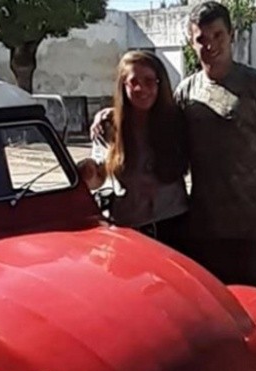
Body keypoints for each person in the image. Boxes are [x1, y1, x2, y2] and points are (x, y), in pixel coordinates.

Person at [91, 2, 256, 298]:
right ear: (191, 43)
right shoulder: (186, 91)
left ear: (231, 35)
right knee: (215, 307)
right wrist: (111, 114)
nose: (210, 45)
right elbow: (149, 118)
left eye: (217, 35)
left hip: (255, 225)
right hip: (202, 229)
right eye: (201, 38)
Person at [78, 50, 190, 249]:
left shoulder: (178, 122)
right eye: (133, 82)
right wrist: (88, 173)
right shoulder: (108, 126)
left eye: (149, 81)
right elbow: (99, 177)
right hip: (129, 227)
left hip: (174, 224)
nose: (141, 89)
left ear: (160, 83)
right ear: (123, 85)